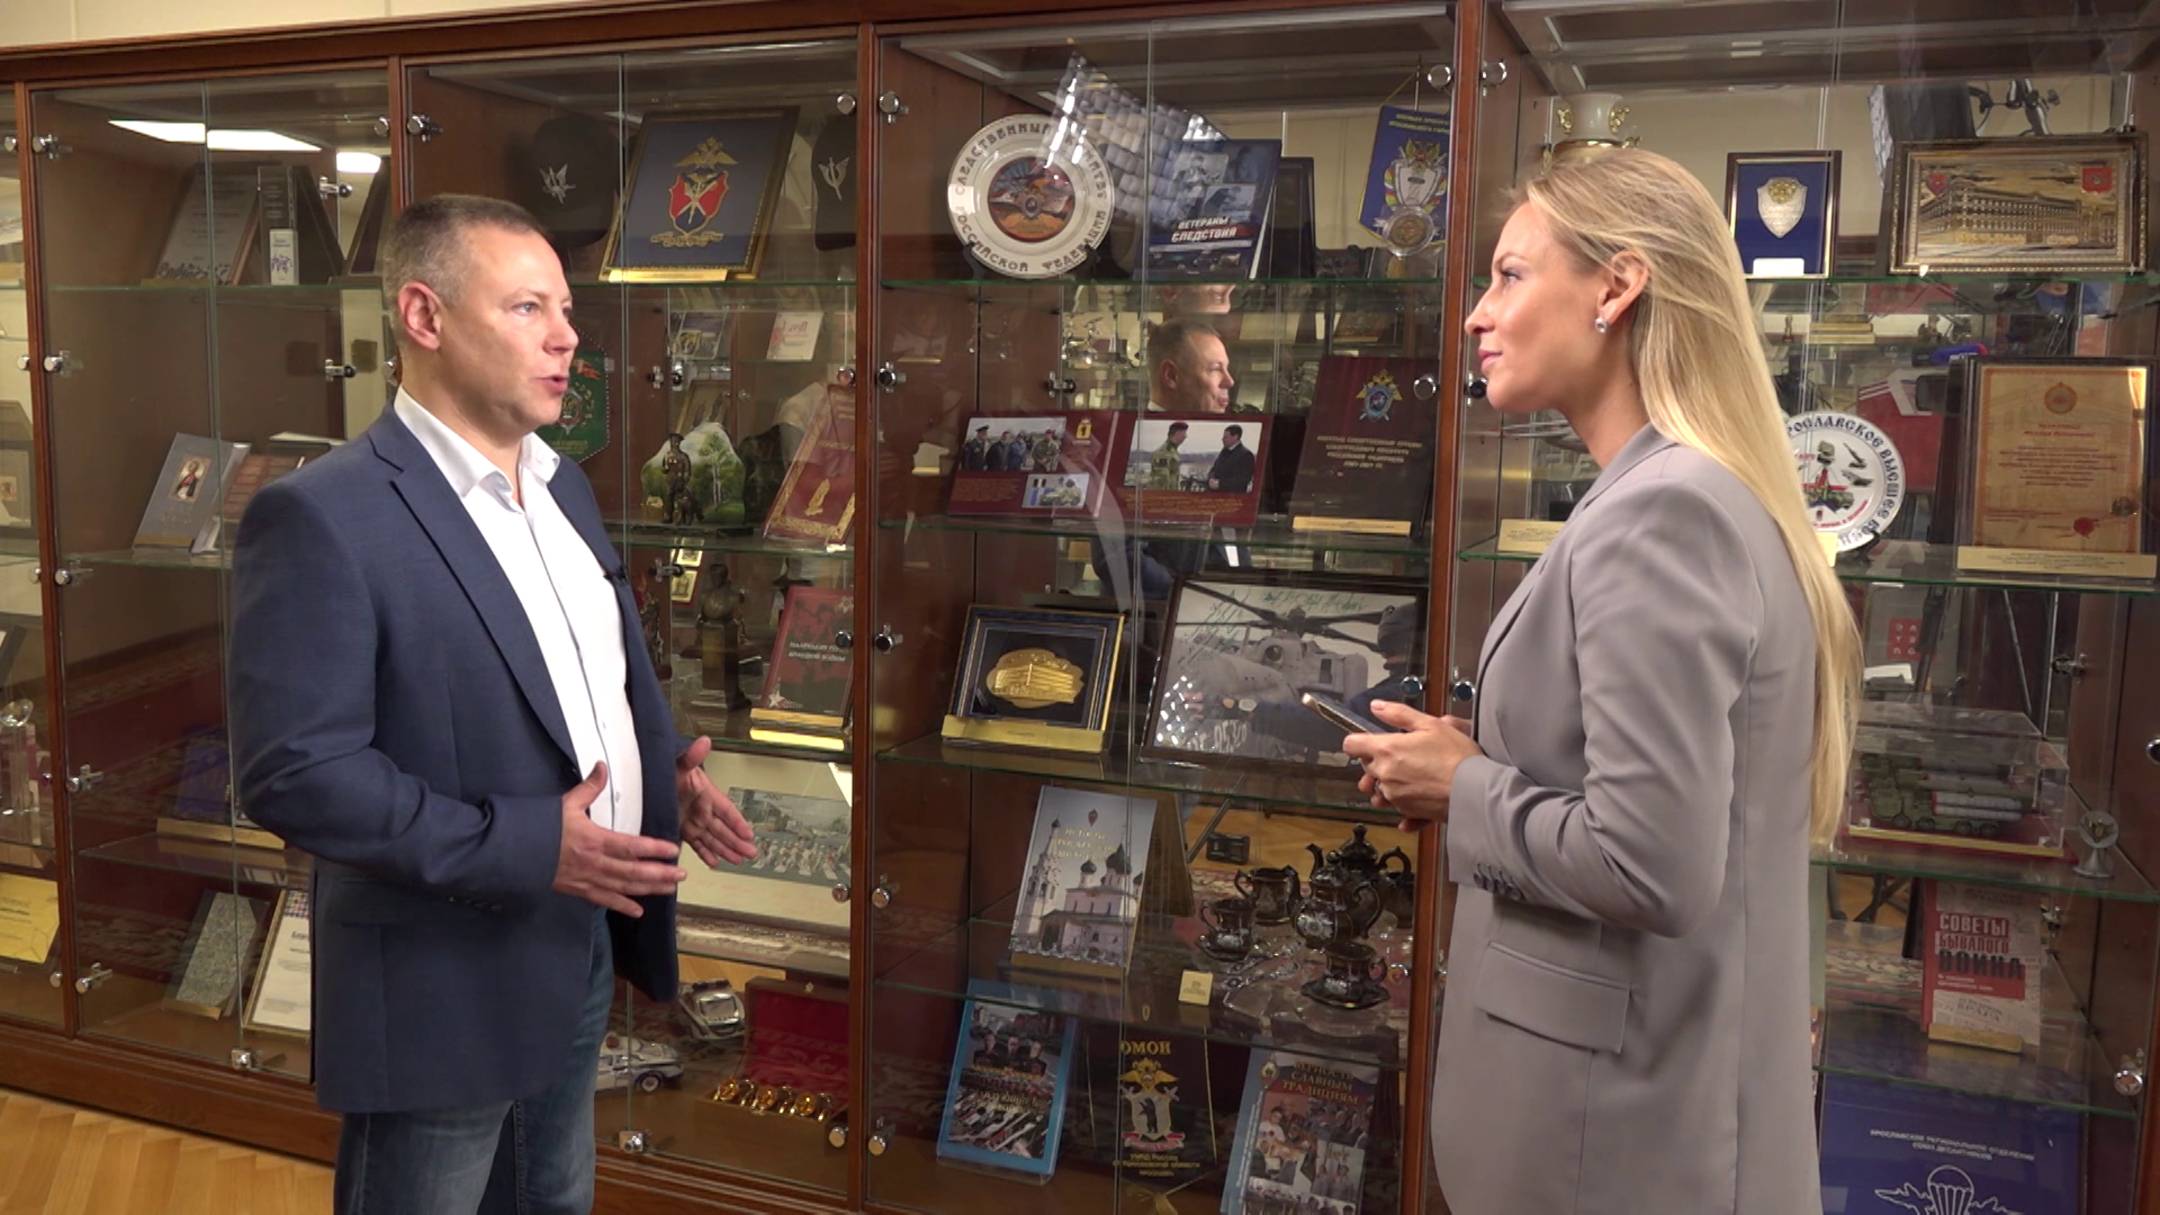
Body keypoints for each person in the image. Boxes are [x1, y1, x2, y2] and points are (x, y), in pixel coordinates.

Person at [1340, 149, 1860, 1214]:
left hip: (1609, 1141)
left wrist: (1462, 785)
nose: (1477, 315)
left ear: (1616, 288)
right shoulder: (1683, 494)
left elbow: (1650, 864)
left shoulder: (1663, 513)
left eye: (1509, 275)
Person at [229, 194, 760, 1215]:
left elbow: (590, 674)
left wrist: (661, 774)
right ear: (423, 316)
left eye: (565, 310)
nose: (566, 338)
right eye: (526, 308)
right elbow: (296, 773)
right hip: (441, 975)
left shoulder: (563, 487)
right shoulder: (322, 515)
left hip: (574, 946)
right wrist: (527, 844)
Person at [1206, 423, 1255, 493]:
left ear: (1235, 437)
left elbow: (1242, 481)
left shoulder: (1246, 455)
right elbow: (1214, 469)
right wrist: (1210, 479)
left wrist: (1220, 484)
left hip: (1233, 496)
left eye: (1226, 437)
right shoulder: (1224, 451)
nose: (1222, 439)